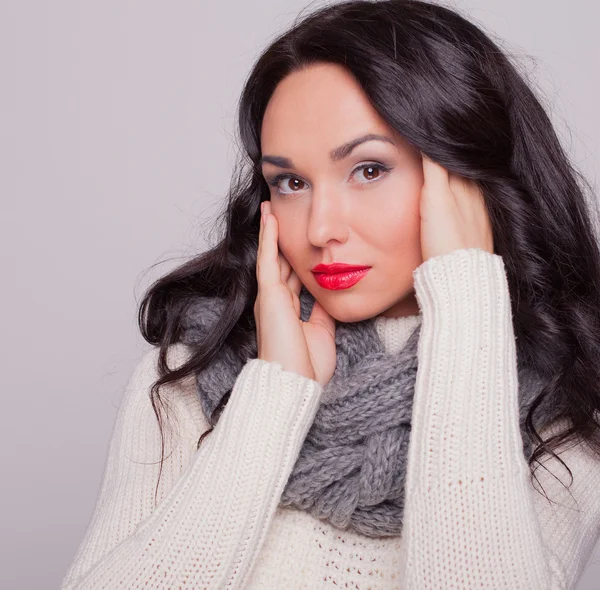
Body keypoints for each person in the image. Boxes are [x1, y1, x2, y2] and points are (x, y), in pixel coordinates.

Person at [59, 0, 600, 588]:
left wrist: (467, 309)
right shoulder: (191, 374)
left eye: (369, 169)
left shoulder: (563, 403)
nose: (319, 229)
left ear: (465, 176)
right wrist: (273, 395)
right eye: (290, 183)